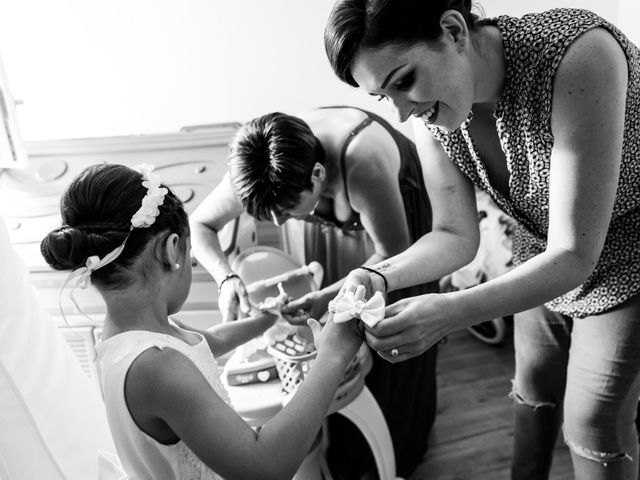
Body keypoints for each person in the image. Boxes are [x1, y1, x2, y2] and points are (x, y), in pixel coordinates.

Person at [324, 1, 640, 479]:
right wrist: (376, 275)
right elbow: (453, 234)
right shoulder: (436, 116)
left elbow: (574, 252)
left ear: (453, 30)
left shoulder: (579, 56)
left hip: (628, 259)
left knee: (592, 422)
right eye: (384, 97)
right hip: (542, 252)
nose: (403, 113)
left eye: (404, 81)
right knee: (532, 395)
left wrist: (452, 311)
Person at [40, 163, 363, 480]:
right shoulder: (158, 367)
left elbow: (211, 341)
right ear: (172, 249)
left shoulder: (129, 335)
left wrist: (270, 316)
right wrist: (332, 356)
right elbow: (264, 466)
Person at [189, 107, 439, 478]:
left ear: (319, 176)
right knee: (338, 341)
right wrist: (227, 279)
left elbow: (392, 256)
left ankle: (395, 452)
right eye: (267, 214)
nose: (278, 222)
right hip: (341, 233)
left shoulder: (363, 160)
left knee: (385, 339)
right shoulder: (259, 167)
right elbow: (201, 223)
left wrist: (325, 297)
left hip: (396, 225)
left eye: (288, 210)